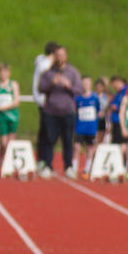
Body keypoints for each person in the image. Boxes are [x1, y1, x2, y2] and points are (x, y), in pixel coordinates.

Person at [35, 43, 81, 176]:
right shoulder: (48, 73)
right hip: (51, 111)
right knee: (49, 139)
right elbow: (40, 88)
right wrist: (52, 83)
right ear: (54, 57)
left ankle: (68, 166)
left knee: (68, 140)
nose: (60, 57)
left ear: (66, 56)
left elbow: (79, 90)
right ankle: (48, 166)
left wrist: (68, 86)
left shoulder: (72, 72)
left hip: (67, 111)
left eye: (62, 55)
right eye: (57, 55)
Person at [0, 64, 23, 165]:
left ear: (9, 73)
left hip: (13, 115)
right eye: (1, 72)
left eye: (5, 72)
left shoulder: (13, 84)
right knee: (3, 142)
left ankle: (8, 162)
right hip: (1, 116)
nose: (3, 74)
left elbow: (17, 101)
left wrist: (5, 107)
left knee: (10, 142)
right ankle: (1, 157)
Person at [73, 76, 102, 175]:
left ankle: (87, 169)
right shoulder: (77, 98)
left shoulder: (95, 98)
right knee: (77, 147)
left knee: (90, 148)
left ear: (90, 84)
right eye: (84, 83)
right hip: (79, 127)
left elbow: (98, 111)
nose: (85, 85)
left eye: (87, 83)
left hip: (91, 128)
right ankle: (74, 169)